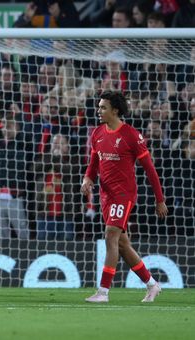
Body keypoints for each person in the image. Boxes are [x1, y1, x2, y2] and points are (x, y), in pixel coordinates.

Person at [81, 91, 168, 303]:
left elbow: (150, 170)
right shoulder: (98, 133)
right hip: (105, 194)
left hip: (124, 194)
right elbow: (94, 163)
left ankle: (103, 292)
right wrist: (87, 179)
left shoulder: (131, 135)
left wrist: (160, 199)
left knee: (110, 235)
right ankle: (151, 284)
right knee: (122, 244)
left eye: (103, 107)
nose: (98, 111)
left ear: (115, 110)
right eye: (99, 106)